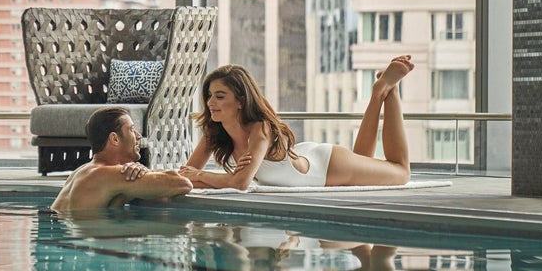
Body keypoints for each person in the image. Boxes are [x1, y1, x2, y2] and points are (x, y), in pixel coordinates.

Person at [179, 56, 415, 190]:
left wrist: (204, 175)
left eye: (220, 96)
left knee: (400, 172)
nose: (211, 102)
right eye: (209, 95)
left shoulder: (259, 129)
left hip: (325, 167)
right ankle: (381, 92)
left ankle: (385, 92)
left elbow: (240, 183)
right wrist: (197, 176)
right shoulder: (214, 133)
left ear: (241, 101)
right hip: (302, 155)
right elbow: (187, 178)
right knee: (364, 160)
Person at [52, 106, 193, 213]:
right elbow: (182, 184)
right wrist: (146, 173)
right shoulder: (107, 174)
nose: (138, 136)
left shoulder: (82, 172)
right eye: (131, 129)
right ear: (114, 138)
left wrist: (143, 173)